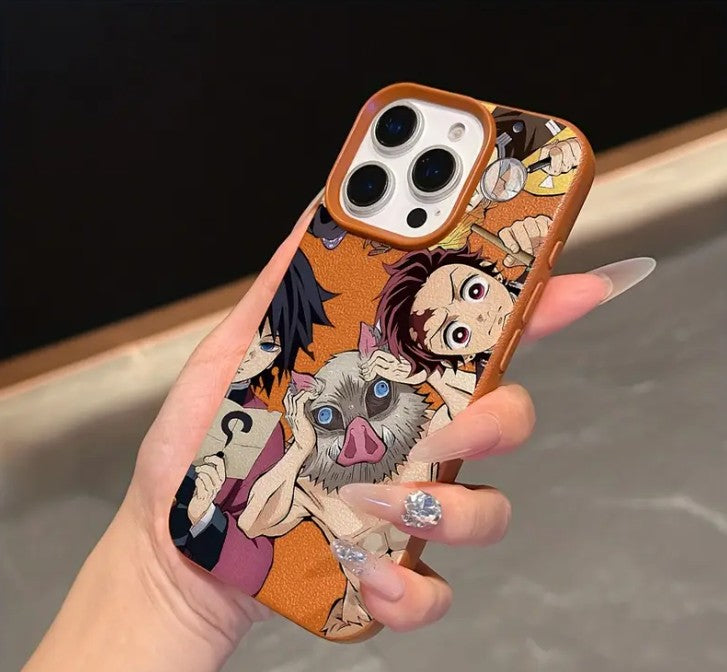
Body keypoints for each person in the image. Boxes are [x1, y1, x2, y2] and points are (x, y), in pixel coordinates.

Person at [21, 212, 654, 671]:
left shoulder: (430, 393)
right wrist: (297, 445)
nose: (358, 438)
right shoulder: (297, 460)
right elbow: (258, 512)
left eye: (471, 295)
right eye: (330, 417)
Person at [169, 248, 334, 594]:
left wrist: (204, 514)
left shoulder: (263, 429)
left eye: (268, 346)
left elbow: (256, 552)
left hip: (191, 577)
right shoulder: (196, 386)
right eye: (250, 332)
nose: (250, 354)